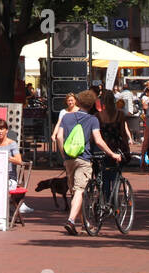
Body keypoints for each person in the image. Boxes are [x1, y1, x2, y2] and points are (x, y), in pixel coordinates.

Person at [54, 89, 123, 237]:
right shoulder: (93, 119)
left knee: (76, 192)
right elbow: (98, 140)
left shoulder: (66, 117)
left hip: (69, 159)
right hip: (84, 158)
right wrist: (112, 153)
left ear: (77, 102)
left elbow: (59, 137)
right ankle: (71, 221)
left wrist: (64, 155)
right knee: (80, 190)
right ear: (92, 105)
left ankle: (85, 225)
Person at [97, 90, 131, 204]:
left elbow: (96, 134)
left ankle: (106, 200)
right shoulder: (120, 115)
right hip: (116, 146)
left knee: (104, 175)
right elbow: (123, 134)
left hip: (103, 146)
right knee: (116, 174)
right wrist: (126, 148)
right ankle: (114, 199)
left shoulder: (98, 116)